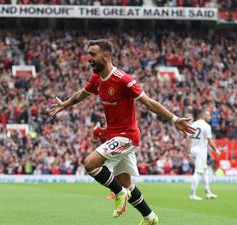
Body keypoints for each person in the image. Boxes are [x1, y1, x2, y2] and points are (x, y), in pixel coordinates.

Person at [50, 39, 195, 225]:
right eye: (88, 55)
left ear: (106, 56)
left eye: (92, 55)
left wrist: (175, 120)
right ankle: (150, 217)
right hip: (114, 136)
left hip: (127, 137)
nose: (88, 59)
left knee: (90, 164)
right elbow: (82, 94)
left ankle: (119, 193)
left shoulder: (123, 79)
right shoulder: (97, 78)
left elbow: (149, 103)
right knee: (126, 182)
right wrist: (65, 104)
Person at [185, 110, 220, 201]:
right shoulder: (206, 126)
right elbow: (209, 140)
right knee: (198, 172)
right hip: (201, 151)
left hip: (193, 149)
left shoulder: (193, 124)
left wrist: (188, 151)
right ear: (203, 115)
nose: (210, 117)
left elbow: (188, 138)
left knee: (205, 171)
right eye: (208, 115)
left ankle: (208, 192)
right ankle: (192, 194)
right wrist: (216, 150)